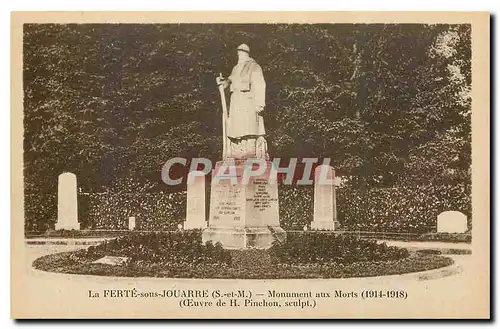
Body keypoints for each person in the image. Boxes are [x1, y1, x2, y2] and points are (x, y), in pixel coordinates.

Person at [216, 44, 269, 160]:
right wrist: (223, 82)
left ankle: (250, 149)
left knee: (249, 126)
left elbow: (260, 84)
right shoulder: (236, 68)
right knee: (236, 126)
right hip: (236, 101)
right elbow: (229, 81)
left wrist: (260, 103)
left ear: (246, 53)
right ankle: (237, 150)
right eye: (238, 53)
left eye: (241, 53)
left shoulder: (254, 67)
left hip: (248, 101)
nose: (239, 55)